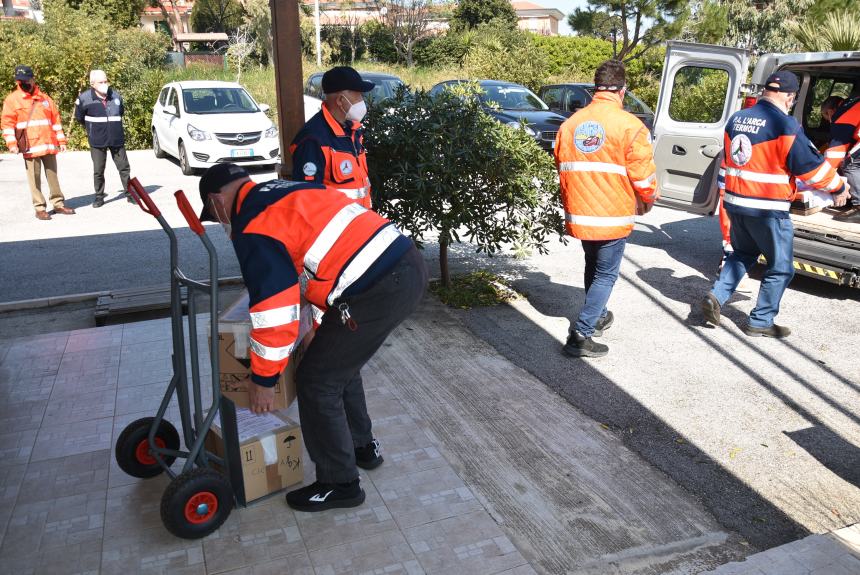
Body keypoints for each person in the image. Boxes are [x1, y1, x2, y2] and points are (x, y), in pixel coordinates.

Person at [197, 163, 427, 512]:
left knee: (317, 380)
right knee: (336, 365)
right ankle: (361, 446)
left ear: (216, 202)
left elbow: (275, 306)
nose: (223, 224)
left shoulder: (251, 223)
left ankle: (340, 483)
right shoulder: (281, 192)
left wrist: (263, 378)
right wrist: (312, 331)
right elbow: (313, 268)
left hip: (377, 287)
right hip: (401, 266)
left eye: (216, 217)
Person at [702, 71, 850, 338]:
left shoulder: (736, 119)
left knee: (742, 254)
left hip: (735, 203)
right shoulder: (785, 125)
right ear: (790, 96)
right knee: (780, 267)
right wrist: (839, 186)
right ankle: (761, 321)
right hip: (767, 208)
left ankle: (716, 295)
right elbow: (811, 170)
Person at [554, 60, 658, 358]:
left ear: (595, 89)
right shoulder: (630, 126)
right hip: (612, 214)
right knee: (606, 273)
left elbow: (559, 162)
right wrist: (647, 200)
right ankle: (581, 334)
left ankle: (597, 316)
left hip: (581, 211)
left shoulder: (570, 124)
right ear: (622, 91)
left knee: (593, 265)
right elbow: (644, 176)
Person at [290, 66, 374, 208]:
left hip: (360, 224)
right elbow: (308, 200)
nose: (362, 100)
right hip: (337, 228)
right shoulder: (313, 139)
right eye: (358, 95)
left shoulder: (353, 132)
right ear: (341, 100)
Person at [1, 65, 74, 220]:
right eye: (20, 80)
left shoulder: (45, 99)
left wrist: (61, 141)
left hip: (48, 144)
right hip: (30, 146)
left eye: (26, 80)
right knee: (34, 179)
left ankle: (58, 204)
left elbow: (56, 121)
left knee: (53, 177)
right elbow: (7, 124)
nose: (23, 83)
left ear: (33, 79)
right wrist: (12, 144)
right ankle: (40, 208)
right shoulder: (12, 99)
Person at [74, 69, 132, 208]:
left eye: (106, 81)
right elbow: (79, 118)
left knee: (124, 168)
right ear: (92, 84)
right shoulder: (84, 99)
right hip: (97, 140)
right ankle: (99, 197)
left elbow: (121, 113)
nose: (104, 84)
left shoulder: (116, 96)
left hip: (116, 139)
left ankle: (130, 194)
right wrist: (93, 130)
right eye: (101, 82)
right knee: (98, 170)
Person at [823, 86, 860, 222]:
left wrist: (825, 177)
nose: (829, 122)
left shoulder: (841, 115)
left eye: (827, 118)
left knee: (850, 164)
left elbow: (836, 153)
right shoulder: (852, 104)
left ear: (830, 111)